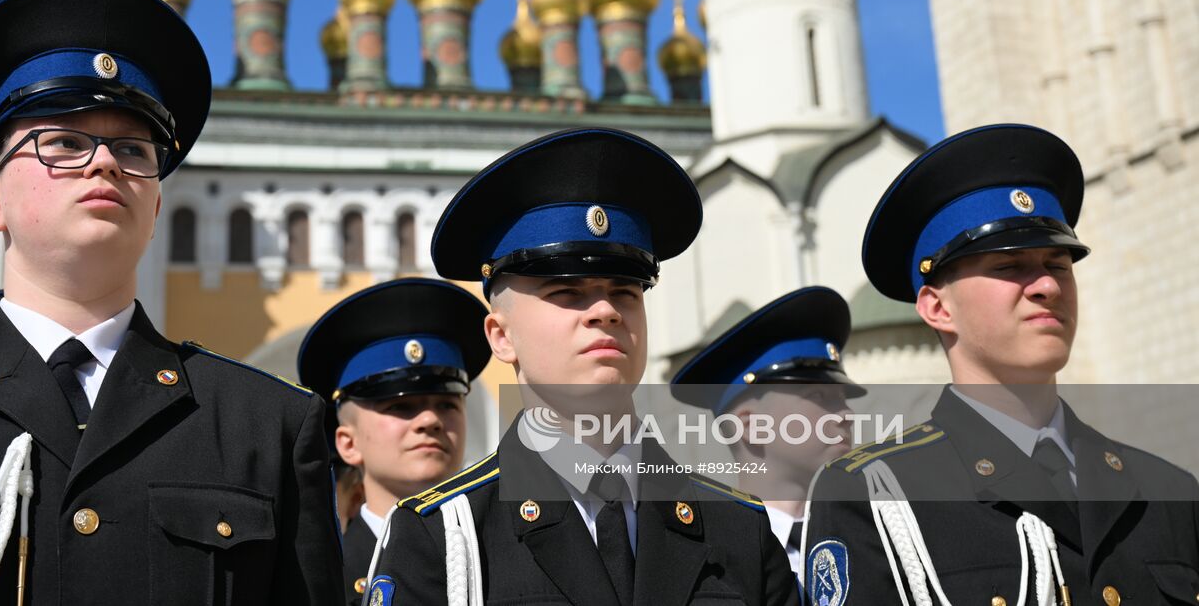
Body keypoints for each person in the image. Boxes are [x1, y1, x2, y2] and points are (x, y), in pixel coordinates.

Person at [0, 0, 343, 604]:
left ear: (157, 205)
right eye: (62, 142)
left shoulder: (265, 425)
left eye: (134, 150)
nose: (106, 163)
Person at [370, 127, 799, 606]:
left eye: (624, 293)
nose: (605, 311)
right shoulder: (444, 538)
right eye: (567, 293)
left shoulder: (740, 529)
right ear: (502, 336)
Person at [804, 123, 1199, 606]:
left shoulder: (1167, 491)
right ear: (937, 308)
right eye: (1008, 266)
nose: (1047, 286)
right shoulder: (875, 495)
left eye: (1058, 264)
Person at [296, 277, 491, 603]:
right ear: (348, 444)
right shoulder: (318, 581)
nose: (430, 420)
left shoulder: (505, 554)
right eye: (401, 406)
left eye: (447, 404)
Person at [670, 286, 863, 591]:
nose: (846, 414)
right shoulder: (707, 562)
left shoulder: (867, 539)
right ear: (750, 426)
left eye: (842, 398)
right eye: (818, 396)